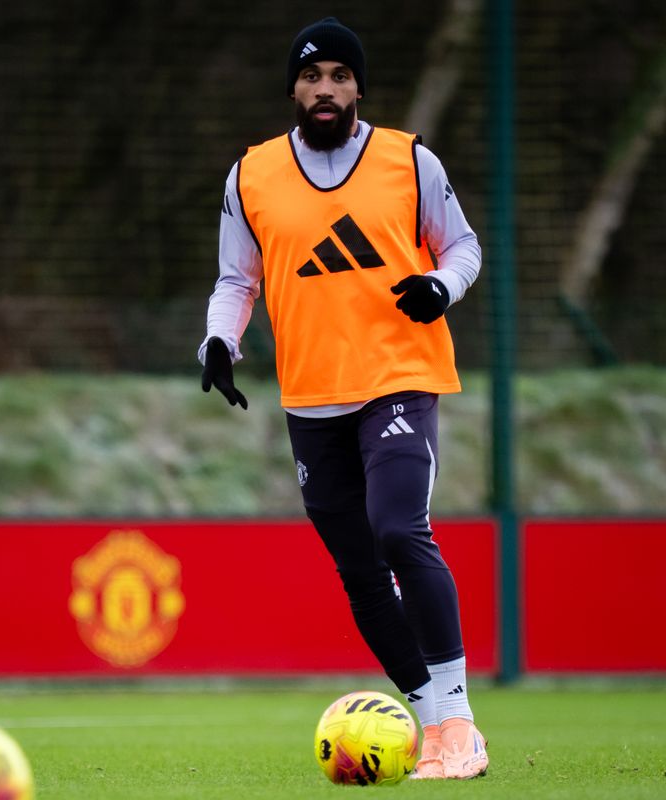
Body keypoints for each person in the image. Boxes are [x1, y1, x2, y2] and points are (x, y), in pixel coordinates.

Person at [198, 17, 488, 780]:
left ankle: (458, 725)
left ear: (359, 86)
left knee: (399, 527)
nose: (324, 89)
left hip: (399, 376)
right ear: (293, 89)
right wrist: (219, 341)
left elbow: (463, 246)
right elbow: (238, 279)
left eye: (338, 75)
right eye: (310, 76)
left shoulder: (408, 159)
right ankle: (431, 726)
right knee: (360, 571)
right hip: (311, 398)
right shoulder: (251, 175)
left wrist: (440, 285)